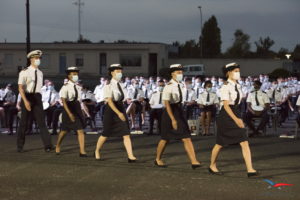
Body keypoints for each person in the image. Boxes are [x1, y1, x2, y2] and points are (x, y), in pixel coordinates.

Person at [208, 63, 258, 178]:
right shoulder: (225, 86)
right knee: (220, 143)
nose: (238, 73)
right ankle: (212, 165)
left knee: (244, 141)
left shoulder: (238, 85)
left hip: (235, 112)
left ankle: (250, 169)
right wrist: (236, 120)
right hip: (226, 115)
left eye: (238, 70)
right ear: (228, 73)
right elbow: (225, 105)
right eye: (235, 71)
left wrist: (238, 117)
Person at [154, 64, 201, 169]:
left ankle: (194, 161)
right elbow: (166, 104)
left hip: (179, 111)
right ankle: (158, 158)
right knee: (165, 138)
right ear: (172, 73)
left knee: (186, 137)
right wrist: (173, 119)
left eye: (181, 72)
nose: (181, 74)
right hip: (170, 112)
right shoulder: (168, 86)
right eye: (179, 72)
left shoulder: (180, 85)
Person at [94, 64, 137, 162]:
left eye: (121, 71)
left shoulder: (122, 85)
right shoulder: (108, 86)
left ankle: (130, 155)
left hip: (121, 108)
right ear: (112, 73)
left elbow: (124, 98)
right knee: (106, 133)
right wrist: (118, 113)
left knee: (126, 133)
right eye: (118, 71)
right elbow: (109, 101)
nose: (120, 73)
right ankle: (97, 150)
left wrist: (129, 101)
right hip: (111, 110)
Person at [17, 50, 53, 152]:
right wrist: (25, 101)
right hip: (27, 96)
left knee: (42, 122)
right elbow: (20, 88)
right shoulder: (24, 72)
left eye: (39, 58)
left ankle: (48, 145)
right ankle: (20, 146)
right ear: (31, 59)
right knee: (24, 122)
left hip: (37, 97)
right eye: (36, 58)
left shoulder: (40, 73)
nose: (38, 60)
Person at [55, 66, 87, 157]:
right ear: (68, 76)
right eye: (73, 74)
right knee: (64, 131)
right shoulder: (65, 87)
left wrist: (82, 112)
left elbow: (79, 101)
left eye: (76, 74)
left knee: (80, 130)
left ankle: (82, 151)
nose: (76, 76)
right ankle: (57, 145)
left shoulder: (78, 87)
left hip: (77, 108)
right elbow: (64, 101)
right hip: (68, 108)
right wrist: (69, 113)